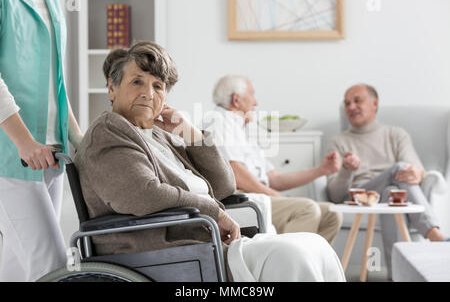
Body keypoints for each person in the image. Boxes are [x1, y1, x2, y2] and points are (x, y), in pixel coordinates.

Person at [74, 41, 346, 281]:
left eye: (158, 86)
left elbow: (224, 185)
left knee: (315, 244)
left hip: (204, 243)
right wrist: (213, 212)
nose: (149, 93)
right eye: (137, 82)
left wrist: (191, 134)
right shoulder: (110, 132)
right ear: (112, 87)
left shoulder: (158, 134)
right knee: (292, 255)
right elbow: (143, 195)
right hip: (164, 251)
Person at [0, 0, 84, 281]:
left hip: (52, 151)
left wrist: (78, 139)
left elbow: (56, 80)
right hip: (12, 156)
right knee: (52, 268)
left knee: (18, 266)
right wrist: (23, 142)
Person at [203, 75, 343, 244]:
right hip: (239, 201)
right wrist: (276, 196)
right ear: (236, 99)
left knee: (331, 213)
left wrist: (321, 170)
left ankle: (314, 268)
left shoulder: (241, 131)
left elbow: (274, 178)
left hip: (256, 197)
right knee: (307, 209)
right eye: (252, 95)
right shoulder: (218, 123)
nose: (256, 103)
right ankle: (285, 267)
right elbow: (236, 174)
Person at [327, 83, 448, 275]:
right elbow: (335, 195)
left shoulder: (395, 134)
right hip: (360, 195)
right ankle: (435, 235)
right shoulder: (339, 142)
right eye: (347, 103)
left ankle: (396, 276)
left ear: (374, 103)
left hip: (387, 194)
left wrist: (418, 173)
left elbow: (415, 168)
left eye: (357, 100)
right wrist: (347, 171)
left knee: (391, 193)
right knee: (399, 170)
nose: (350, 107)